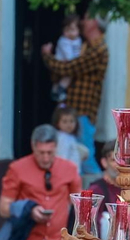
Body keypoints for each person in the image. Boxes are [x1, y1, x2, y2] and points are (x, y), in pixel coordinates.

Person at [40, 16, 109, 147]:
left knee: (84, 153)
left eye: (86, 19)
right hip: (72, 108)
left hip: (83, 110)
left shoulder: (98, 49)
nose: (82, 22)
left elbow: (68, 68)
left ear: (94, 23)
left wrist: (47, 56)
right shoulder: (86, 45)